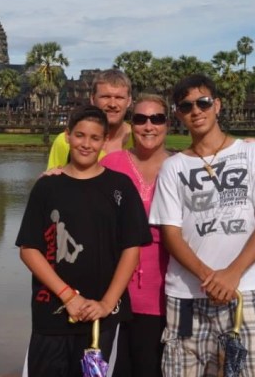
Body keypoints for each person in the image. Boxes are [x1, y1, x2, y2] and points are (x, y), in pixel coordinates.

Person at [149, 74, 255, 376]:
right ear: (179, 115)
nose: (196, 110)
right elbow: (171, 234)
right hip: (185, 294)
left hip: (242, 288)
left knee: (254, 369)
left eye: (203, 102)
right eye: (186, 106)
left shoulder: (253, 153)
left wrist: (231, 275)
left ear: (217, 105)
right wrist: (210, 278)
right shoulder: (173, 167)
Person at [16, 106, 152, 377]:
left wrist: (105, 303)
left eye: (94, 138)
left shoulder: (120, 187)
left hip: (101, 318)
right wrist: (68, 297)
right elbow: (29, 250)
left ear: (104, 142)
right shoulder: (47, 187)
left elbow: (131, 250)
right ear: (67, 136)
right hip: (51, 314)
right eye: (79, 136)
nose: (86, 144)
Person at [99, 94, 171, 377]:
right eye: (140, 119)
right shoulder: (113, 163)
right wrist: (55, 173)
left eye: (157, 119)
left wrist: (250, 145)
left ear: (168, 124)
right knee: (110, 364)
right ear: (132, 124)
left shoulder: (182, 166)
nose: (148, 126)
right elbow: (80, 186)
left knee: (148, 365)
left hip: (162, 284)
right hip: (113, 284)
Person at [47, 69, 132, 170]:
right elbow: (53, 180)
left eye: (119, 98)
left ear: (129, 101)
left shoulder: (139, 140)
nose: (112, 104)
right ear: (92, 99)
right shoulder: (67, 141)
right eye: (105, 97)